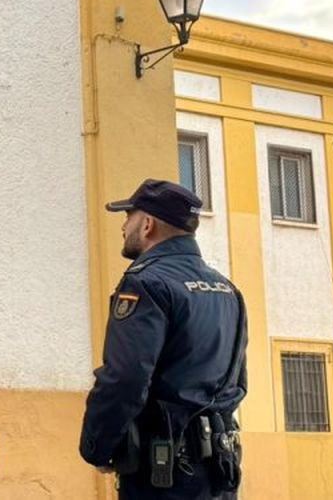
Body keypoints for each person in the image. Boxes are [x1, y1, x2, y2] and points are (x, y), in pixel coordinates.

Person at [80, 179, 246, 499]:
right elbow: (238, 381)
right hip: (220, 468)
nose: (124, 225)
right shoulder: (228, 290)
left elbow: (125, 379)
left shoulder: (146, 284)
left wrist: (97, 446)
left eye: (128, 216)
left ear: (147, 225)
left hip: (164, 470)